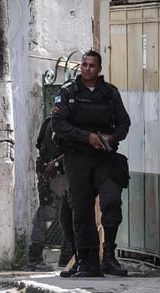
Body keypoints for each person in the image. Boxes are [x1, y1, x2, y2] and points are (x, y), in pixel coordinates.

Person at [52, 50, 131, 277]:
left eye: (92, 65)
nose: (87, 69)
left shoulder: (110, 93)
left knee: (111, 201)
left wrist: (111, 138)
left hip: (105, 158)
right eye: (84, 65)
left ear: (99, 69)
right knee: (82, 210)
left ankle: (108, 257)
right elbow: (58, 123)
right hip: (77, 157)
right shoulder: (68, 91)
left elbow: (124, 124)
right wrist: (86, 137)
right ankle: (86, 261)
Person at [26, 116, 72, 271]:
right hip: (53, 173)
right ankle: (35, 258)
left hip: (59, 172)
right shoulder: (58, 122)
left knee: (68, 212)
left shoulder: (51, 121)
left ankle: (67, 255)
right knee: (47, 214)